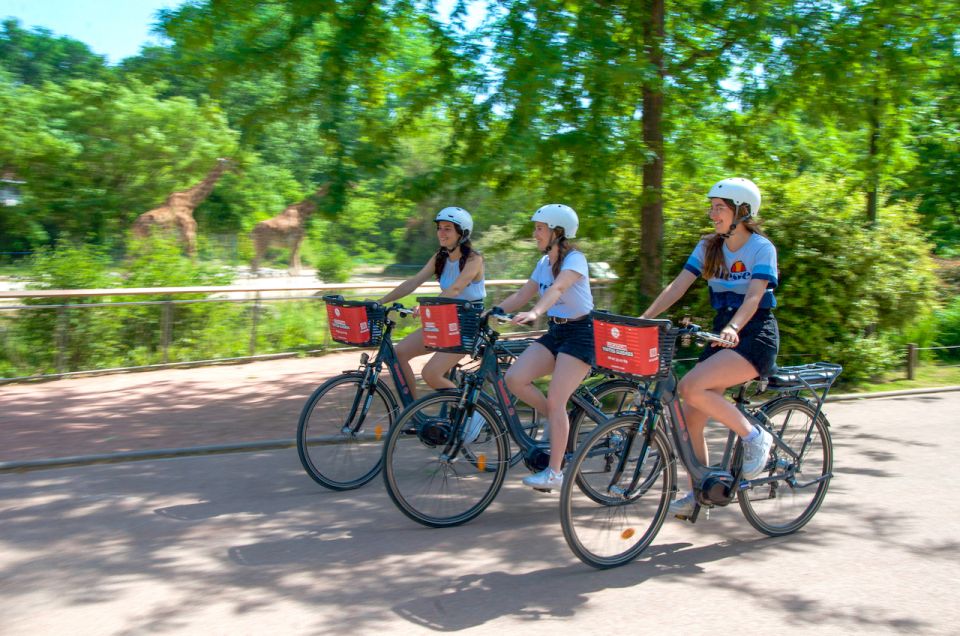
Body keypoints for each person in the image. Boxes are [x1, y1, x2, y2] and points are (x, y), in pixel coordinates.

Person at [640, 177, 779, 518]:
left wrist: (734, 328)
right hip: (722, 335)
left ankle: (754, 436)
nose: (712, 213)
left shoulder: (762, 248)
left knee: (689, 387)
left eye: (720, 208)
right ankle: (699, 491)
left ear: (742, 211)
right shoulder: (708, 247)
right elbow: (678, 286)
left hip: (754, 335)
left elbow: (754, 297)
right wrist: (645, 317)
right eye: (711, 207)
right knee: (689, 421)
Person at [493, 204, 594, 490]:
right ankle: (559, 419)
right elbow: (524, 293)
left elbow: (558, 289)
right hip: (557, 331)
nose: (534, 233)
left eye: (539, 228)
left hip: (581, 334)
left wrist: (536, 312)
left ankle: (555, 474)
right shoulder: (543, 263)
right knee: (514, 378)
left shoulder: (575, 259)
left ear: (557, 231)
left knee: (556, 399)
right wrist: (492, 311)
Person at [377, 207, 485, 398]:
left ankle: (474, 414)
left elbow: (455, 289)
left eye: (448, 229)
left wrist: (427, 305)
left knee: (431, 374)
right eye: (439, 228)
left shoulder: (474, 259)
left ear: (462, 233)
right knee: (399, 354)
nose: (441, 233)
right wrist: (381, 301)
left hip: (467, 324)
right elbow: (413, 281)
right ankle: (412, 412)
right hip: (443, 320)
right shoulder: (440, 257)